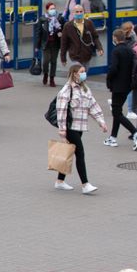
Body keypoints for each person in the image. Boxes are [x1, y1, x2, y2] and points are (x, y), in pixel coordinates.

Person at [54, 63, 107, 194]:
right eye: (81, 72)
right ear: (74, 74)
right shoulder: (66, 90)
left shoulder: (85, 89)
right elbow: (61, 111)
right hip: (70, 127)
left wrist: (101, 121)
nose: (84, 74)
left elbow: (92, 105)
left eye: (84, 71)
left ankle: (59, 181)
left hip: (80, 127)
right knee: (80, 154)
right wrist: (62, 130)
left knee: (69, 152)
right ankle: (85, 184)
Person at [104, 29, 137, 150]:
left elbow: (114, 68)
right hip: (127, 85)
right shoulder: (129, 49)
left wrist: (109, 77)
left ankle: (136, 133)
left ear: (115, 38)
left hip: (118, 85)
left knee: (116, 112)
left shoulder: (116, 51)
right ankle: (113, 137)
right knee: (118, 111)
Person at [60, 4, 103, 70]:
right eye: (77, 12)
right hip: (75, 56)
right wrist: (63, 58)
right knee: (78, 73)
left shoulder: (89, 23)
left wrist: (99, 48)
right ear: (73, 13)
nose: (79, 13)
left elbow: (95, 37)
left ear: (83, 12)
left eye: (81, 11)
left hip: (86, 55)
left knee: (84, 74)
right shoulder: (68, 26)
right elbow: (64, 43)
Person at [35, 2, 65, 86]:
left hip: (55, 43)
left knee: (53, 61)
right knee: (46, 61)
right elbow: (38, 33)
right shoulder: (42, 19)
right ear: (47, 10)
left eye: (54, 8)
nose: (53, 10)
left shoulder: (59, 19)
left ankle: (52, 78)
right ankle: (45, 74)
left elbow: (63, 29)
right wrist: (37, 46)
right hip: (46, 43)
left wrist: (60, 32)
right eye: (51, 9)